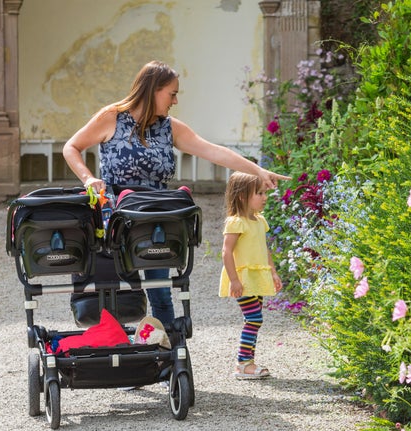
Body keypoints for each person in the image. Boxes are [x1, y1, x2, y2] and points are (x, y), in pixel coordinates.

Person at [63, 60, 289, 325]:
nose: (175, 100)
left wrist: (257, 171)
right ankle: (115, 351)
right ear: (153, 90)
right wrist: (88, 178)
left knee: (160, 292)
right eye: (172, 93)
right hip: (116, 216)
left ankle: (166, 351)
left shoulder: (170, 127)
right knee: (116, 289)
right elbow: (71, 147)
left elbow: (214, 151)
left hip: (155, 217)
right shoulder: (111, 117)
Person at [219, 172, 283, 379]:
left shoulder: (259, 221)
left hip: (258, 276)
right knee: (254, 318)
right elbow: (226, 252)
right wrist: (234, 280)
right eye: (259, 193)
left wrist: (272, 272)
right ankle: (244, 364)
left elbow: (264, 249)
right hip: (244, 279)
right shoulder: (236, 222)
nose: (264, 197)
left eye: (264, 193)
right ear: (242, 196)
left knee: (255, 320)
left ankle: (247, 363)